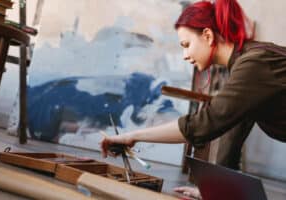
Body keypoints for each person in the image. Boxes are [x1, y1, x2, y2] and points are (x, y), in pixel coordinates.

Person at [100, 0, 286, 198]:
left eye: (186, 45)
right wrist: (215, 191)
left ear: (207, 35)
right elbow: (232, 129)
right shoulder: (246, 64)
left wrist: (133, 135)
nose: (185, 55)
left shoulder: (253, 64)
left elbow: (203, 125)